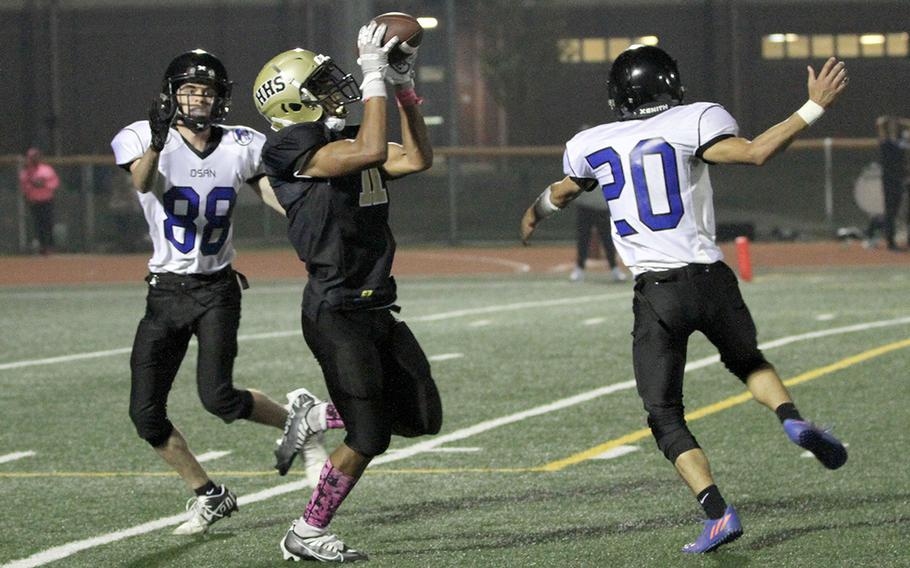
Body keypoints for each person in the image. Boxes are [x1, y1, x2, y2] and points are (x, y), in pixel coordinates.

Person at [521, 45, 849, 554]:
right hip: (713, 278)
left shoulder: (590, 142)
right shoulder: (695, 120)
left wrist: (535, 213)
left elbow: (562, 192)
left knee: (665, 414)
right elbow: (756, 152)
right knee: (747, 361)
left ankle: (718, 513)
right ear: (669, 84)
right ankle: (791, 418)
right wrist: (813, 108)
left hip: (658, 293)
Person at [110, 49, 320, 536]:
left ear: (220, 99)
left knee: (219, 397)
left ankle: (301, 422)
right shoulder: (143, 137)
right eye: (189, 90)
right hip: (164, 292)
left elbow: (267, 189)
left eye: (206, 91)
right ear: (171, 95)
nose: (198, 99)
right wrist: (159, 139)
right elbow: (142, 184)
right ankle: (210, 494)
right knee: (145, 415)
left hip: (217, 289)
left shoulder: (243, 143)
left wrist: (304, 219)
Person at [253, 21, 442, 562]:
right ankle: (306, 532)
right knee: (369, 435)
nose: (332, 87)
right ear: (290, 101)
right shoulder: (290, 145)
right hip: (335, 307)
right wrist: (374, 74)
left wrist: (403, 92)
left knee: (422, 416)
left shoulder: (338, 138)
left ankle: (314, 416)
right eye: (316, 84)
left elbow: (415, 158)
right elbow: (365, 152)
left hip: (377, 302)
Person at [570, 187, 627, 282]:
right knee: (583, 239)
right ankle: (579, 269)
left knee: (607, 240)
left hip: (602, 208)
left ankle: (614, 269)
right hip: (584, 207)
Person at [875, 115, 909, 250]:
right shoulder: (887, 143)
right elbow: (879, 127)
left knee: (902, 210)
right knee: (891, 212)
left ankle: (904, 240)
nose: (894, 128)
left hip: (901, 179)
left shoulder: (901, 142)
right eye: (891, 126)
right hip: (889, 180)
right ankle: (891, 242)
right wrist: (882, 124)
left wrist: (902, 122)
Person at [18, 147, 60, 255]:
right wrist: (31, 187)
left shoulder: (46, 169)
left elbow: (55, 183)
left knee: (48, 223)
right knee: (38, 225)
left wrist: (44, 184)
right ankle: (42, 247)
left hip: (47, 200)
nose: (35, 159)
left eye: (37, 156)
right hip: (34, 201)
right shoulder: (26, 172)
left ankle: (51, 246)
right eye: (32, 157)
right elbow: (24, 187)